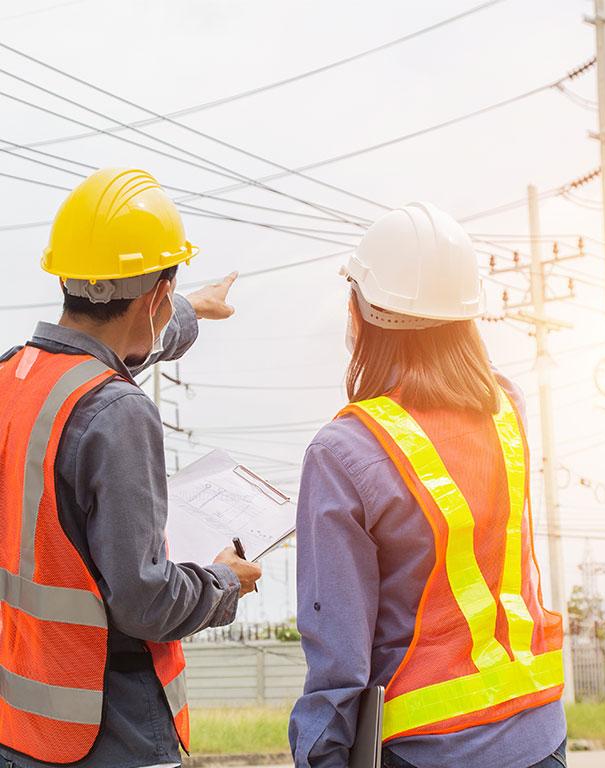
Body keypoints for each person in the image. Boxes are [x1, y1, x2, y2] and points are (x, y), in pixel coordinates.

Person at [0, 168, 262, 768]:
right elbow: (145, 603)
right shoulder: (118, 412)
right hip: (108, 729)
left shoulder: (13, 376)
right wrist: (222, 583)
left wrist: (188, 310)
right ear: (154, 297)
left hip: (21, 722)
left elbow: (99, 367)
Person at [290, 202, 567, 768]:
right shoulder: (505, 409)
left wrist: (321, 754)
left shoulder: (345, 452)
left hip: (428, 747)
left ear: (359, 311)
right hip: (538, 734)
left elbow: (337, 655)